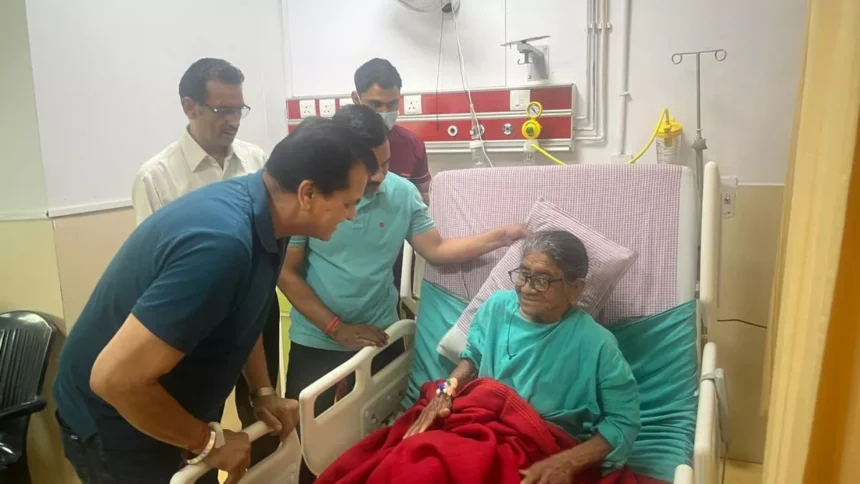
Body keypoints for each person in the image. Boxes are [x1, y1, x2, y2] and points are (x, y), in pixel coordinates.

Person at [53, 117, 378, 484]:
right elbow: (114, 380)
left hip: (173, 410)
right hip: (118, 424)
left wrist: (263, 392)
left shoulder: (271, 220)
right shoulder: (221, 244)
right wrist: (206, 442)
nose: (352, 215)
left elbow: (242, 313)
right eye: (348, 203)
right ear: (308, 194)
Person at [279, 103, 529, 483]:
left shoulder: (401, 193)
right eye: (371, 167)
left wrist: (502, 236)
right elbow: (286, 271)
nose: (381, 175)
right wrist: (336, 328)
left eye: (386, 162)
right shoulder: (315, 195)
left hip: (380, 334)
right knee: (306, 448)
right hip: (317, 337)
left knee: (376, 437)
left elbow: (437, 249)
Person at [130, 58, 281, 465]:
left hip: (254, 305)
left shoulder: (256, 162)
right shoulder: (157, 176)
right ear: (189, 107)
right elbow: (153, 266)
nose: (234, 121)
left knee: (265, 414)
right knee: (199, 424)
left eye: (239, 109)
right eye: (222, 110)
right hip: (194, 319)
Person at [405, 231, 641, 484]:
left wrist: (567, 462)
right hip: (475, 424)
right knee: (414, 461)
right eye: (523, 274)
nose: (527, 288)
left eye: (542, 280)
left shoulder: (597, 344)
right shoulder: (496, 306)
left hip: (537, 445)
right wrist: (444, 392)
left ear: (575, 289)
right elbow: (472, 359)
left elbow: (623, 421)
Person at [351, 58, 431, 305]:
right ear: (356, 99)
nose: (385, 112)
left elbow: (424, 198)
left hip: (391, 250)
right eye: (375, 104)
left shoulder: (411, 145)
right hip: (342, 248)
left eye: (392, 104)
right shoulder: (334, 142)